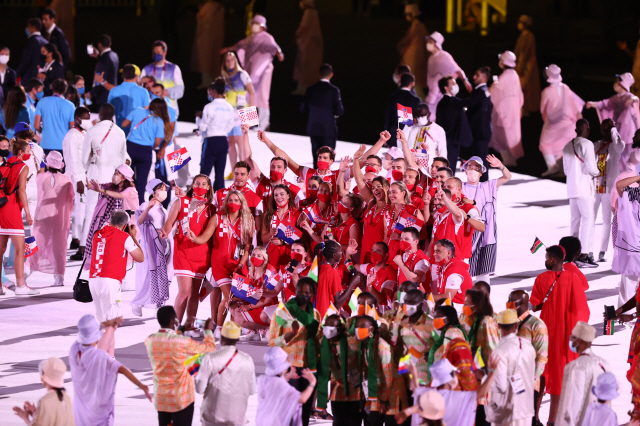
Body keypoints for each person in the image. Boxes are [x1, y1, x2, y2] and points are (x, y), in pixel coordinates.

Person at [530, 245, 590, 425]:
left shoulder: (541, 279)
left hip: (546, 333)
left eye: (547, 258)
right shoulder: (573, 278)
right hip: (567, 337)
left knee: (541, 375)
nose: (545, 261)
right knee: (561, 378)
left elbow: (534, 306)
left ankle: (534, 417)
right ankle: (552, 421)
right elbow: (583, 310)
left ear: (554, 259)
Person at [186, 189, 254, 328]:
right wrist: (195, 239)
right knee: (230, 297)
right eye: (230, 200)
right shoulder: (217, 218)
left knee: (238, 298)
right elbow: (205, 237)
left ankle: (233, 327)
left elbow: (247, 248)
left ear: (241, 203)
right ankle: (220, 327)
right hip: (220, 266)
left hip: (238, 265)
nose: (233, 203)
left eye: (236, 200)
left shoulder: (247, 221)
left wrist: (241, 264)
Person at [70, 314, 152, 426]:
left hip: (80, 411)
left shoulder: (74, 350)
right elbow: (122, 369)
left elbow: (87, 330)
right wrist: (141, 385)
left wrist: (106, 323)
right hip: (97, 413)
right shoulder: (99, 356)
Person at [72, 103, 128, 261]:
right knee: (112, 212)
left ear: (100, 114)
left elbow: (83, 160)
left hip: (95, 174)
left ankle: (84, 246)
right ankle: (111, 245)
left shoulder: (92, 131)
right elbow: (123, 159)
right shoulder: (120, 132)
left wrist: (82, 176)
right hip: (114, 177)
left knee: (91, 211)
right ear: (113, 115)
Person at [146, 306, 216, 426]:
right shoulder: (183, 341)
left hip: (162, 398)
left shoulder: (150, 340)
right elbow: (210, 349)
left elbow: (169, 341)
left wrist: (182, 329)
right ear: (173, 321)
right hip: (181, 398)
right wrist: (208, 331)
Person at [268, 277, 323, 426]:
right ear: (295, 290)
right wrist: (291, 334)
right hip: (288, 368)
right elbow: (272, 341)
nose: (303, 295)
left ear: (312, 294)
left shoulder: (315, 314)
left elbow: (319, 340)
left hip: (308, 368)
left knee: (304, 413)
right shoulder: (282, 312)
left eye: (307, 292)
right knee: (288, 412)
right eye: (300, 291)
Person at [161, 175, 215, 325]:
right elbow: (169, 223)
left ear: (208, 188)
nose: (200, 186)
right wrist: (166, 232)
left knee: (194, 294)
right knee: (184, 291)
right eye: (197, 183)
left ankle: (189, 325)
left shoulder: (212, 209)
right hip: (183, 251)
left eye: (204, 184)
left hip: (202, 254)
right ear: (192, 185)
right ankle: (175, 325)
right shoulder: (181, 202)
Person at [222, 15, 284, 130]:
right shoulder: (251, 38)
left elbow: (276, 48)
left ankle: (263, 123)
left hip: (263, 71)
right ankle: (248, 122)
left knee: (262, 96)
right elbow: (240, 45)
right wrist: (228, 49)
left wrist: (280, 54)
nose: (254, 25)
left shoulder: (267, 37)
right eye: (253, 23)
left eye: (256, 23)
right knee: (247, 94)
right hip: (251, 70)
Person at [88, 209, 144, 326]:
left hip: (94, 280)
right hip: (110, 282)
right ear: (125, 226)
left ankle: (101, 342)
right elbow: (140, 257)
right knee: (112, 322)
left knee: (102, 321)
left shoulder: (97, 234)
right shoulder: (124, 237)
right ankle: (108, 343)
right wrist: (133, 236)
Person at [26, 151, 74, 287]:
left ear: (47, 164)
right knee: (59, 246)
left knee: (36, 244)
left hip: (42, 216)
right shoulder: (67, 179)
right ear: (60, 165)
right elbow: (71, 197)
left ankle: (25, 272)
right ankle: (59, 278)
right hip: (60, 217)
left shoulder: (39, 177)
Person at [195, 321, 256, 426]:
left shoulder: (210, 358)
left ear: (221, 338)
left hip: (212, 418)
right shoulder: (247, 359)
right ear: (237, 339)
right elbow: (252, 390)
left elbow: (199, 388)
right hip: (237, 418)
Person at [462, 155, 511, 282]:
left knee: (483, 269)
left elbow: (507, 176)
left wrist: (500, 165)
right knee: (462, 269)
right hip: (464, 232)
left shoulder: (488, 186)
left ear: (481, 172)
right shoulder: (459, 187)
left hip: (486, 232)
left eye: (476, 168)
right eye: (470, 167)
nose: (473, 170)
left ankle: (483, 297)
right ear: (465, 170)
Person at [485, 309, 536, 426]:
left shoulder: (499, 352)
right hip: (525, 409)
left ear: (498, 326)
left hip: (507, 412)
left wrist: (484, 379)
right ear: (516, 325)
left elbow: (501, 386)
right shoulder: (528, 346)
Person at [0, 140, 38, 295]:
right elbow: (21, 191)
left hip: (1, 209)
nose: (30, 152)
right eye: (28, 149)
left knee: (1, 249)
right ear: (21, 152)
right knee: (19, 249)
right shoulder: (23, 166)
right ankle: (21, 286)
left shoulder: (4, 165)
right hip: (12, 209)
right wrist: (28, 213)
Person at [82, 164, 139, 266]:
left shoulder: (131, 190)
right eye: (114, 173)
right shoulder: (113, 187)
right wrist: (93, 187)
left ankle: (120, 277)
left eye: (117, 174)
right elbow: (102, 187)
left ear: (124, 177)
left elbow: (120, 195)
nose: (114, 175)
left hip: (130, 225)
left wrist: (101, 190)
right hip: (120, 223)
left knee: (124, 253)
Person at [555, 322, 610, 426]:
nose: (570, 341)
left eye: (572, 338)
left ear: (579, 340)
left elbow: (573, 404)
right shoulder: (603, 364)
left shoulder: (577, 366)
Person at [132, 179, 173, 316]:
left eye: (165, 189)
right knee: (150, 276)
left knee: (164, 274)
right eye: (161, 189)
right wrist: (148, 208)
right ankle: (138, 302)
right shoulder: (145, 205)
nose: (164, 191)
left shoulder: (163, 209)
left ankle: (159, 302)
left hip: (164, 246)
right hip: (150, 247)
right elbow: (139, 221)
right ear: (153, 191)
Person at [562, 119, 600, 267]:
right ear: (587, 129)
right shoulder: (587, 144)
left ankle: (572, 255)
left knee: (575, 221)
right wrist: (597, 172)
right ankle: (584, 255)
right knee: (588, 220)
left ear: (576, 129)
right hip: (584, 187)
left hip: (572, 187)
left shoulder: (566, 146)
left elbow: (565, 170)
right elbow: (591, 167)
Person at [508, 290, 549, 424]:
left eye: (510, 301)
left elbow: (541, 357)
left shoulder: (536, 325)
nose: (507, 304)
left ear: (520, 303)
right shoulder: (509, 323)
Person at [586, 72, 640, 171]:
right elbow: (604, 103)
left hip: (627, 133)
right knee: (617, 154)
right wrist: (592, 104)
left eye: (617, 81)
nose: (615, 83)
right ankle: (618, 176)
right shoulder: (616, 98)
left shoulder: (628, 96)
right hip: (618, 131)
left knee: (627, 155)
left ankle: (628, 176)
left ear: (622, 84)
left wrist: (632, 99)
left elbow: (636, 99)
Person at [122, 98, 172, 203]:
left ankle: (124, 203)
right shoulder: (159, 120)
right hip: (145, 151)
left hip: (130, 148)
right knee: (141, 182)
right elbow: (158, 142)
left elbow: (124, 124)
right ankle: (138, 206)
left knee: (126, 178)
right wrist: (150, 147)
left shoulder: (137, 111)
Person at [539, 64, 585, 176]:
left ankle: (552, 166)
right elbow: (575, 103)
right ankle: (561, 170)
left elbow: (543, 109)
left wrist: (547, 119)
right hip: (569, 123)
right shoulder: (565, 87)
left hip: (554, 124)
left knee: (545, 144)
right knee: (561, 145)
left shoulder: (547, 91)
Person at [315, 314, 362, 423]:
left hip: (355, 389)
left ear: (340, 328)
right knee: (339, 420)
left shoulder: (352, 341)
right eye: (326, 324)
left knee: (354, 420)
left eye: (332, 325)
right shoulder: (322, 343)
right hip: (337, 392)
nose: (328, 328)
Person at [591, 119, 625, 263]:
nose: (606, 131)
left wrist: (614, 130)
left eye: (608, 129)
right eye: (604, 129)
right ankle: (587, 251)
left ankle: (602, 251)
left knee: (606, 221)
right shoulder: (596, 145)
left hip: (607, 188)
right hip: (594, 187)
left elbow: (619, 144)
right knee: (589, 220)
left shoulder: (617, 146)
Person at [257, 346, 316, 426]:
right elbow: (302, 399)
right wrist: (312, 382)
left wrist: (287, 376)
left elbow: (274, 385)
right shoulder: (280, 385)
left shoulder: (262, 379)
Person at [301, 63, 344, 167]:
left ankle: (315, 181)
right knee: (326, 160)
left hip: (314, 128)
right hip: (328, 129)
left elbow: (303, 108)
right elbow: (340, 110)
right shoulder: (334, 90)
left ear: (319, 74)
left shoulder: (311, 89)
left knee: (316, 159)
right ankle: (325, 181)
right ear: (331, 74)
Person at [221, 52, 255, 179]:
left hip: (242, 112)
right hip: (229, 114)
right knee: (230, 142)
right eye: (227, 60)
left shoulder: (242, 74)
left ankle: (244, 172)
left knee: (241, 143)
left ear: (235, 61)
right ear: (224, 63)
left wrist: (251, 117)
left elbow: (251, 92)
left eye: (232, 60)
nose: (230, 62)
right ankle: (233, 170)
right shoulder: (223, 77)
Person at [197, 77, 235, 191]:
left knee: (204, 173)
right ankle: (220, 201)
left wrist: (198, 124)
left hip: (211, 141)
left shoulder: (209, 107)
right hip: (223, 140)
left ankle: (200, 198)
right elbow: (230, 126)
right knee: (220, 174)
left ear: (213, 91)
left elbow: (203, 126)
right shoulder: (229, 107)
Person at [12, 357, 74, 426]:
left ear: (43, 377)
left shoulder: (45, 401)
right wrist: (37, 414)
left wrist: (25, 418)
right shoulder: (66, 398)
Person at [425, 31, 471, 122]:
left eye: (430, 41)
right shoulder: (430, 58)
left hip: (439, 96)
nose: (428, 43)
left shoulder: (444, 56)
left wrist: (465, 80)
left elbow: (457, 69)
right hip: (431, 96)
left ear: (436, 43)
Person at [489, 51, 524, 167]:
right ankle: (510, 158)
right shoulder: (514, 75)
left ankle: (509, 159)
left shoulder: (504, 76)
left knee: (501, 134)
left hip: (503, 109)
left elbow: (494, 90)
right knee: (509, 134)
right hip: (513, 109)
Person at [63, 106, 91, 249]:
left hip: (82, 175)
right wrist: (79, 179)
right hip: (76, 177)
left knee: (78, 209)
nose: (87, 120)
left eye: (88, 117)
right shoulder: (72, 135)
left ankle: (75, 238)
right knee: (80, 208)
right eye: (85, 118)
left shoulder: (83, 133)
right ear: (77, 119)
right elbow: (72, 159)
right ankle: (80, 239)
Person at [436, 76, 477, 170]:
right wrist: (487, 92)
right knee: (449, 169)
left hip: (444, 139)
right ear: (445, 87)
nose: (456, 85)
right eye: (453, 83)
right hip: (452, 140)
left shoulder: (441, 102)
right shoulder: (452, 101)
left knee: (444, 168)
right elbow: (470, 101)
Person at [141, 40, 184, 116]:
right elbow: (140, 89)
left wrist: (167, 92)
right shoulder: (146, 69)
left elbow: (180, 89)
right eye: (154, 53)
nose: (156, 55)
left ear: (165, 53)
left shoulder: (173, 68)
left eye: (158, 53)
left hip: (169, 110)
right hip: (151, 110)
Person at [34, 78, 75, 154]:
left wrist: (43, 131)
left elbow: (36, 126)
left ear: (52, 87)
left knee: (44, 166)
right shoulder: (70, 105)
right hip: (63, 146)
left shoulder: (42, 101)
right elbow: (72, 127)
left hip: (45, 144)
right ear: (65, 90)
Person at [467, 67, 494, 182]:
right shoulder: (481, 91)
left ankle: (483, 188)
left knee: (480, 162)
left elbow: (480, 113)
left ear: (484, 77)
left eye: (477, 75)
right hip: (481, 131)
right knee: (479, 161)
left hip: (480, 132)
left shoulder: (482, 93)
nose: (473, 77)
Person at [191, 0, 225, 89]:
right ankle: (214, 80)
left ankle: (207, 82)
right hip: (215, 37)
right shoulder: (219, 7)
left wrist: (200, 12)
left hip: (206, 37)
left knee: (205, 60)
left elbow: (203, 18)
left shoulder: (210, 6)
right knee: (213, 58)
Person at [107, 64, 150, 132]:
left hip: (119, 130)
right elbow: (146, 112)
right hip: (137, 132)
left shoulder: (113, 91)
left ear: (123, 76)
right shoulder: (143, 91)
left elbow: (108, 112)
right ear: (135, 76)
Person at [293, 0, 324, 95]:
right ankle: (307, 87)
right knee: (311, 65)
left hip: (308, 44)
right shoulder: (313, 13)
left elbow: (303, 27)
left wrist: (296, 36)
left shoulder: (309, 13)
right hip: (313, 44)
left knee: (304, 65)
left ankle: (302, 88)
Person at [397, 4, 428, 98]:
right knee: (413, 77)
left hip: (414, 55)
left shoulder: (416, 25)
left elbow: (408, 38)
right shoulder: (419, 25)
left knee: (412, 77)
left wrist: (400, 45)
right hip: (416, 54)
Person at [385, 72, 420, 147]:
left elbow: (387, 117)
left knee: (391, 158)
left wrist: (385, 134)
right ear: (411, 83)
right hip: (408, 135)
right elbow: (418, 120)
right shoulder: (416, 100)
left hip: (393, 133)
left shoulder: (392, 98)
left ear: (400, 82)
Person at [514, 15, 541, 114]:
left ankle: (526, 108)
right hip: (520, 63)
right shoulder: (522, 36)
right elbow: (517, 51)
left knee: (526, 86)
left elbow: (526, 52)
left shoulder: (530, 36)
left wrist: (521, 65)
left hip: (527, 65)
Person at [88, 34, 119, 109]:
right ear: (110, 44)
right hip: (112, 94)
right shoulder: (115, 55)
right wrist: (98, 56)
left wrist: (91, 93)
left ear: (99, 44)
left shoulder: (104, 59)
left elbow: (100, 79)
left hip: (104, 97)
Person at [16, 17, 47, 83]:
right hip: (42, 77)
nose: (27, 29)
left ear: (33, 27)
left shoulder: (31, 41)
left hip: (30, 77)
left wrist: (16, 74)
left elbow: (26, 60)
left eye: (28, 26)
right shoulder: (46, 42)